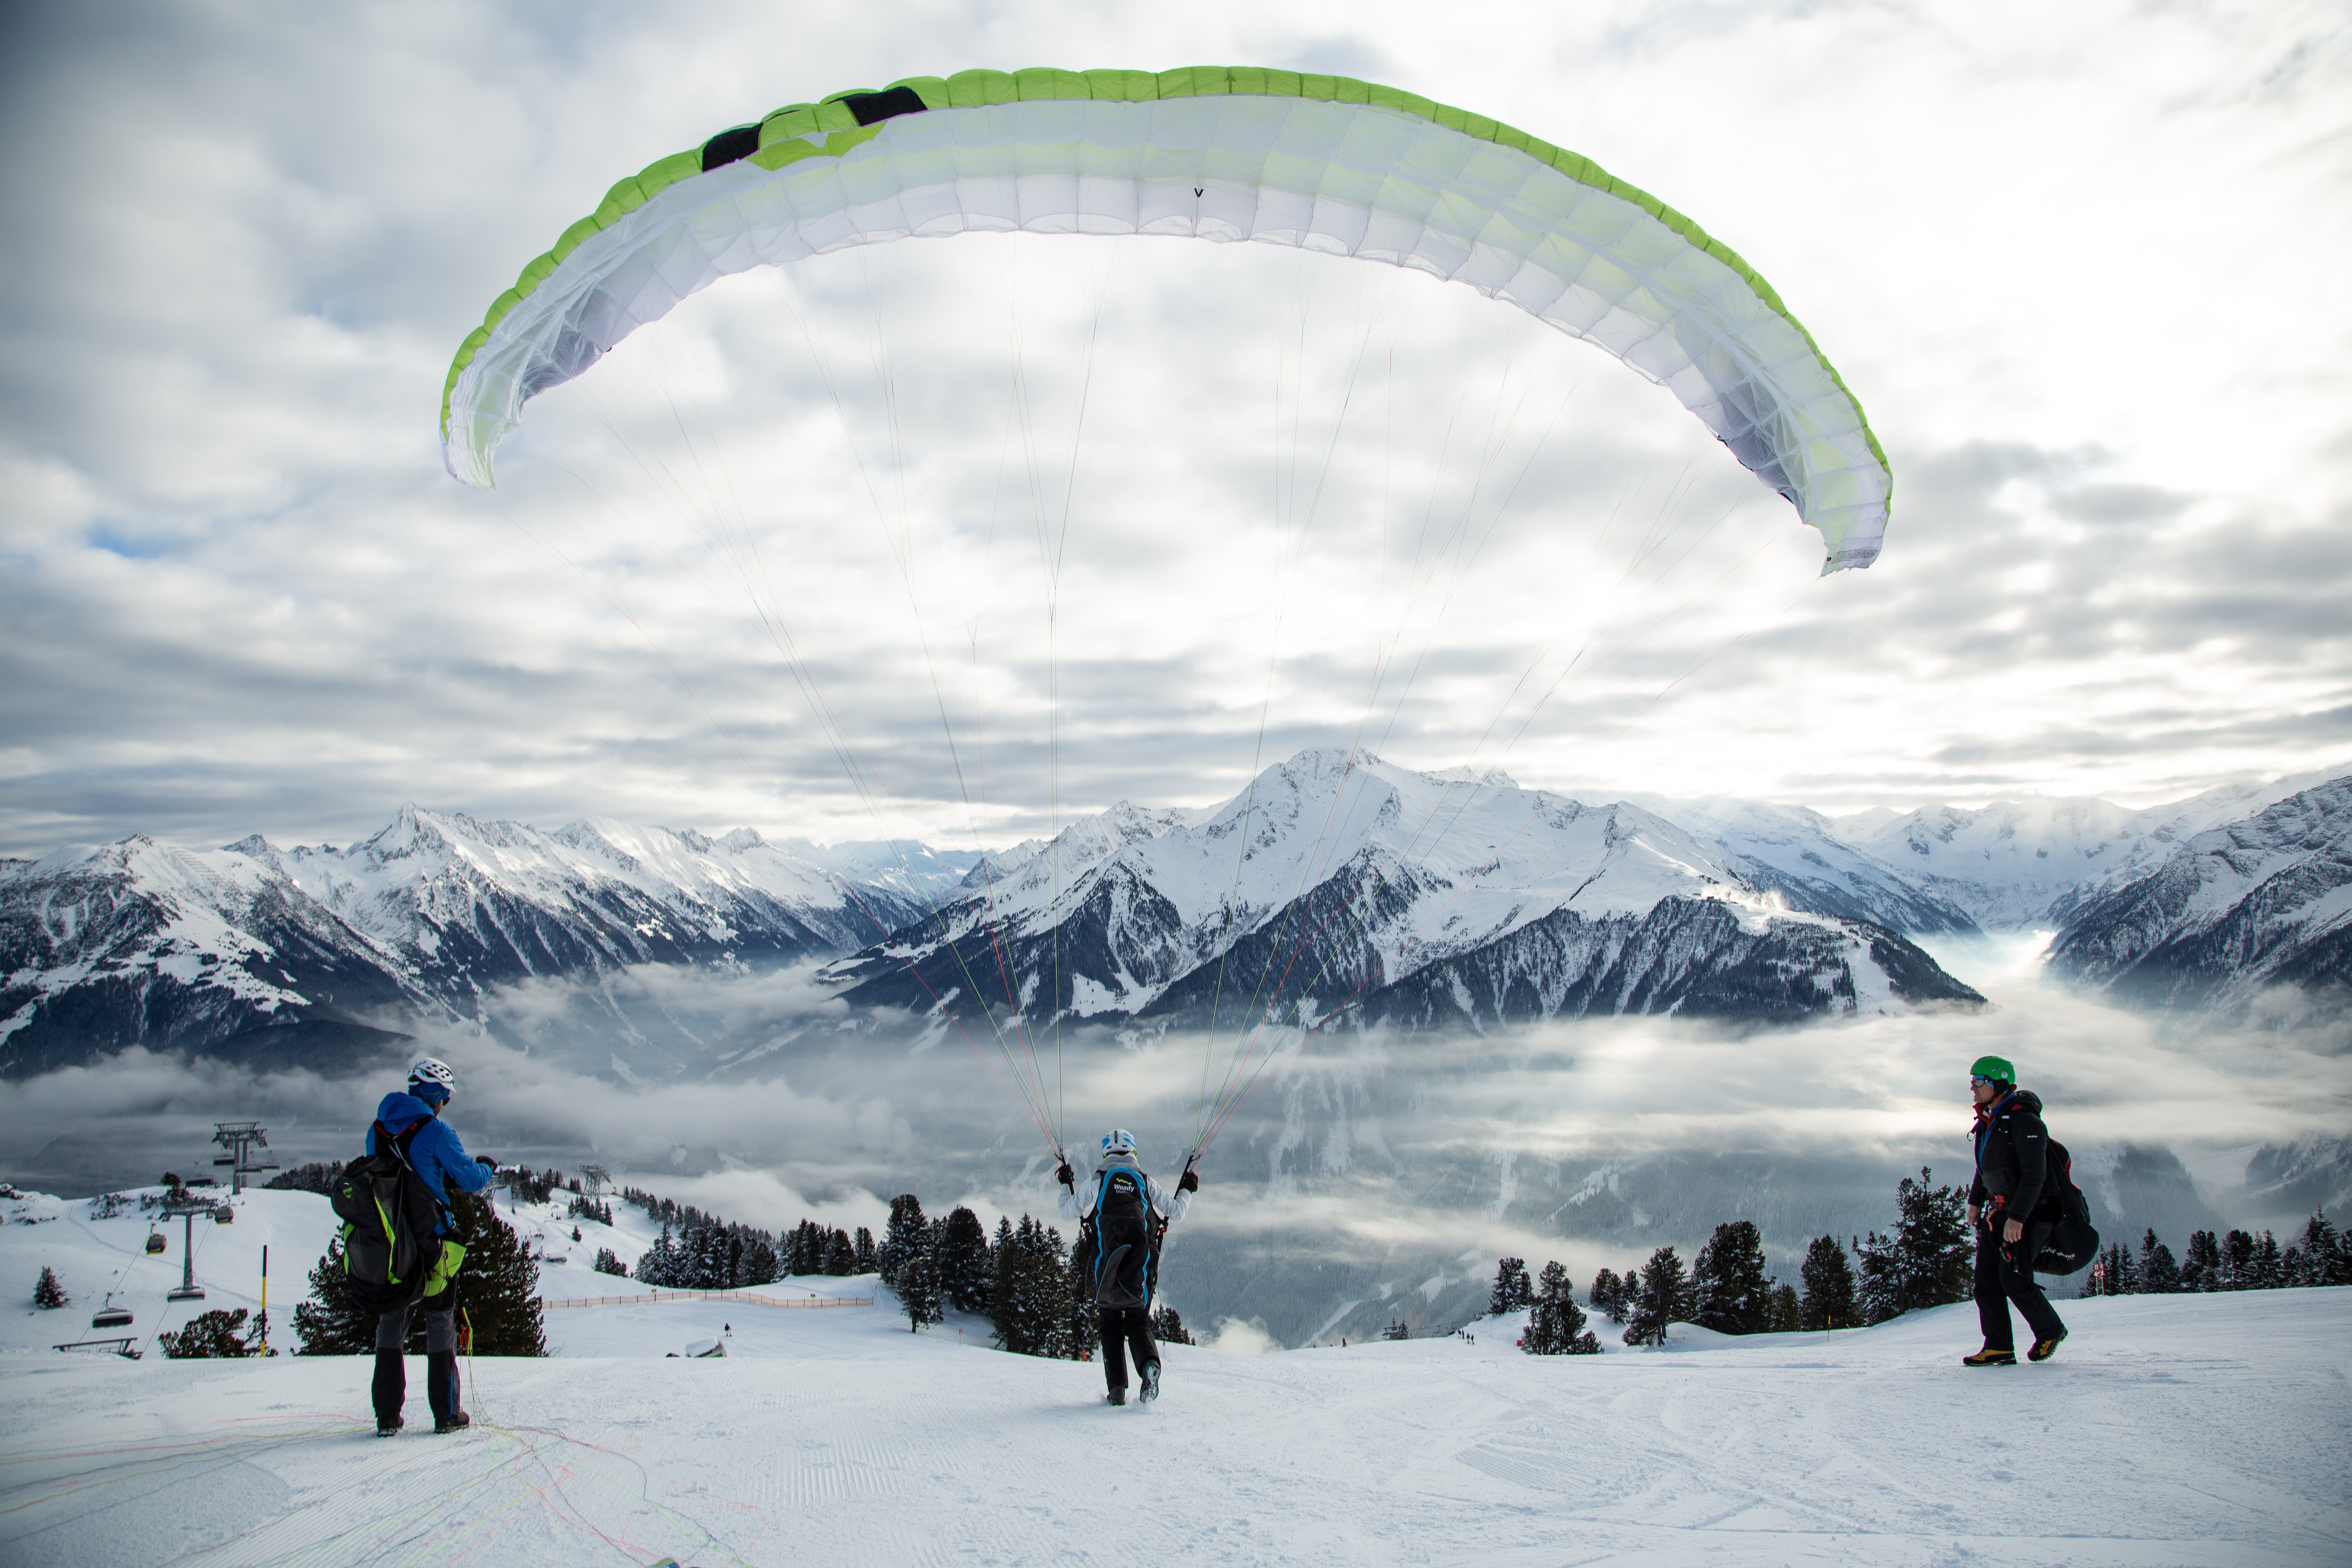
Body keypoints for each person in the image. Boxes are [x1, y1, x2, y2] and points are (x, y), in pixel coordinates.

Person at [370, 1057, 495, 1434]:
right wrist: (488, 1166)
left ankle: (387, 1414)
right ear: (436, 1094)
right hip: (431, 1240)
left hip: (392, 1240)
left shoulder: (377, 1130)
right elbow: (472, 1180)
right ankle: (446, 1413)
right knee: (440, 1318)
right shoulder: (437, 1132)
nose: (445, 1105)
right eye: (446, 1098)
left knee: (392, 1319)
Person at [1058, 1129, 1196, 1406]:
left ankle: (1118, 1389)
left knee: (1110, 1324)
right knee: (1137, 1321)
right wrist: (1187, 1190)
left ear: (1105, 1154)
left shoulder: (1097, 1181)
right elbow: (1177, 1212)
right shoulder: (1146, 1182)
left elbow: (1066, 1212)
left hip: (1107, 1266)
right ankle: (1148, 1367)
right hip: (1141, 1270)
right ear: (1133, 1153)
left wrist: (1065, 1183)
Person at [1963, 1054, 2068, 1366]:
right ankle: (1998, 1346)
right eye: (1972, 1081)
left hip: (2028, 1215)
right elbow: (1986, 1167)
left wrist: (2018, 1218)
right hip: (1997, 1214)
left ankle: (2050, 1330)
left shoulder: (2025, 1121)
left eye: (1978, 1082)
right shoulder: (1990, 1119)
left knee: (2013, 1278)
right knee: (1985, 1281)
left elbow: (2036, 1175)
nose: (1973, 1088)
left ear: (1998, 1084)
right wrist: (1975, 1200)